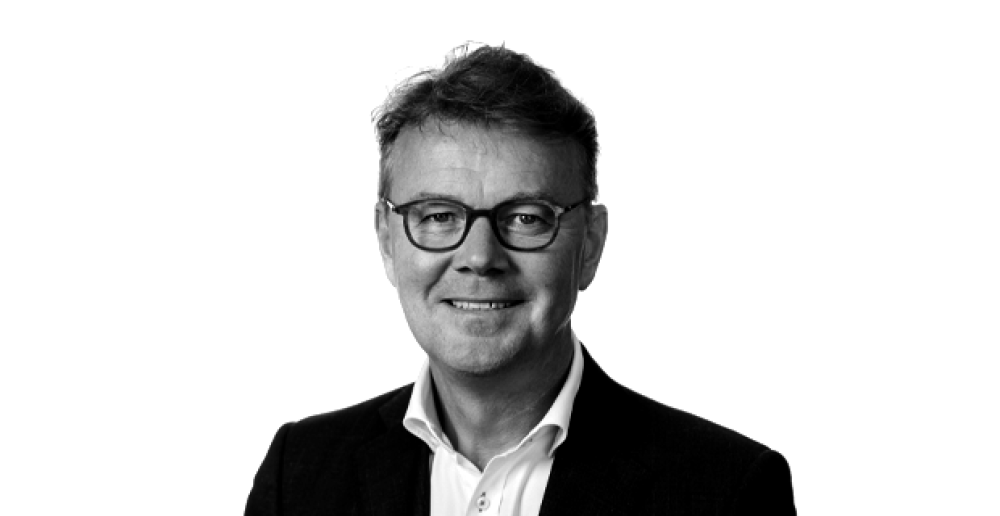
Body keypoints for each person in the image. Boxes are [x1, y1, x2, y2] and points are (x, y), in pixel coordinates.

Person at [245, 44, 796, 516]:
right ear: (388, 241)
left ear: (590, 245)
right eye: (439, 216)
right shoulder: (300, 476)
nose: (479, 257)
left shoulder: (726, 492)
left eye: (526, 218)